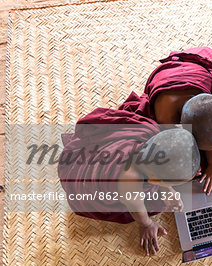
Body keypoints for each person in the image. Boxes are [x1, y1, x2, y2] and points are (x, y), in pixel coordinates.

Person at [58, 93, 200, 256]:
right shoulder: (129, 183)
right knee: (157, 205)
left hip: (103, 151)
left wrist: (168, 189)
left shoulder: (151, 131)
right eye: (174, 182)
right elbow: (136, 209)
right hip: (86, 178)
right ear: (155, 180)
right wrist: (147, 224)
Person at [119, 47, 212, 194]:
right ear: (183, 131)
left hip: (194, 72)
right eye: (203, 148)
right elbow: (171, 151)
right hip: (168, 79)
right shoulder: (165, 120)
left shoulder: (206, 101)